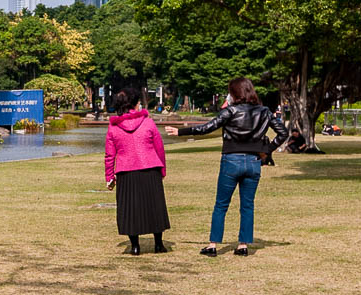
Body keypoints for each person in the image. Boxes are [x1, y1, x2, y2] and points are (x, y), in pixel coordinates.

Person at [176, 77, 289, 257]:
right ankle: (243, 245)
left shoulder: (231, 111)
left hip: (231, 160)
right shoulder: (264, 111)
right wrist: (266, 150)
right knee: (247, 205)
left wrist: (181, 131)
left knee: (221, 204)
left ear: (235, 93)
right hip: (253, 162)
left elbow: (207, 127)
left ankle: (213, 245)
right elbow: (283, 133)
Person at [104, 87, 170, 255]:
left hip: (126, 171)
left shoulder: (114, 127)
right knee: (154, 206)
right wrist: (162, 168)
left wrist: (109, 177)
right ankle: (158, 244)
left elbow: (109, 155)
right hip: (150, 167)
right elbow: (159, 147)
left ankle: (135, 246)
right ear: (135, 104)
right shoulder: (148, 122)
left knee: (129, 208)